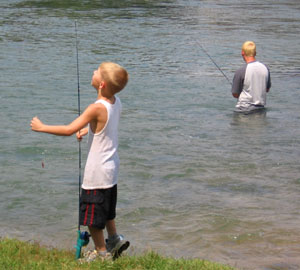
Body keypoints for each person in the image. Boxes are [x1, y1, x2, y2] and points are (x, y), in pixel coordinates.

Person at [31, 62, 130, 262]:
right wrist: (89, 130)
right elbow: (106, 127)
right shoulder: (115, 101)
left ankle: (101, 253)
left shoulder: (95, 108)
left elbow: (68, 129)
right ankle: (114, 239)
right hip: (111, 168)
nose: (92, 72)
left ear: (101, 84)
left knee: (92, 217)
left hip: (97, 173)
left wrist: (42, 127)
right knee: (107, 210)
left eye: (96, 72)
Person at [232, 41, 271, 113]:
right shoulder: (265, 68)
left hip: (243, 110)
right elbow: (267, 89)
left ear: (242, 53)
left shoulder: (241, 71)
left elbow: (235, 94)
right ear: (255, 53)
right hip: (260, 110)